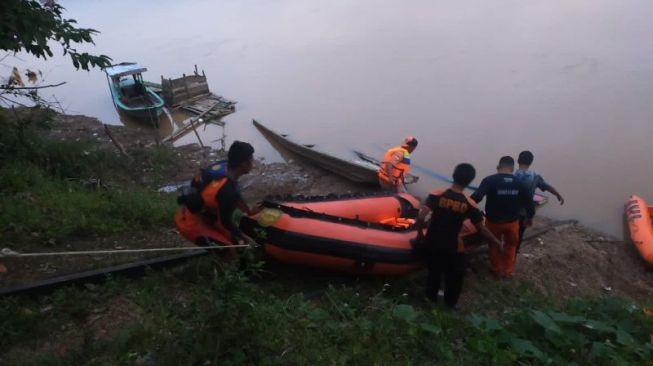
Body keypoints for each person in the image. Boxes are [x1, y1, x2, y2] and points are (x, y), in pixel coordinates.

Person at [413, 163, 502, 308]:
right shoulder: (470, 204)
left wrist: (420, 234)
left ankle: (429, 300)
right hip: (452, 246)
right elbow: (482, 229)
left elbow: (422, 217)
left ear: (453, 176)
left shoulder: (437, 194)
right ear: (469, 181)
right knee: (455, 276)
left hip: (432, 241)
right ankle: (449, 304)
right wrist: (497, 242)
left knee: (433, 273)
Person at [176, 141, 262, 246]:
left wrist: (249, 212)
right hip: (190, 223)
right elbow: (225, 222)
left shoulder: (224, 166)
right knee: (231, 248)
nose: (253, 163)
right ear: (244, 163)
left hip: (201, 212)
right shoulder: (228, 191)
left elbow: (237, 197)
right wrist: (243, 236)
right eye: (251, 160)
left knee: (234, 238)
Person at [471, 156, 534, 279]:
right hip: (512, 223)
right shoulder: (520, 183)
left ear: (498, 167)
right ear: (512, 168)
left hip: (494, 222)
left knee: (494, 245)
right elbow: (529, 203)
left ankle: (496, 270)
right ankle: (508, 271)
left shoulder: (489, 180)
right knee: (511, 245)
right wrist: (529, 217)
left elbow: (476, 198)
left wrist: (466, 209)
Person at [514, 150, 565, 252]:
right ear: (531, 162)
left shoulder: (510, 175)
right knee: (519, 234)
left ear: (518, 160)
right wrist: (558, 194)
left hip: (509, 211)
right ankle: (514, 253)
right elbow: (547, 187)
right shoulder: (535, 176)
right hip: (525, 212)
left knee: (508, 232)